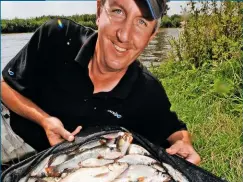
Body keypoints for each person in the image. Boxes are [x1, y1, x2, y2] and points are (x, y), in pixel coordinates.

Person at [1, 0, 200, 164]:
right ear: (99, 12)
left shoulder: (148, 91)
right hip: (15, 135)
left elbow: (174, 129)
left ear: (151, 36)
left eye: (142, 22)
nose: (124, 35)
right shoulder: (56, 36)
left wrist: (185, 144)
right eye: (118, 11)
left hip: (72, 165)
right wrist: (44, 120)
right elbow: (5, 86)